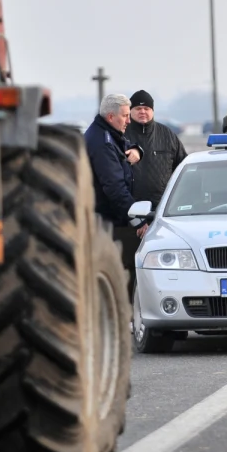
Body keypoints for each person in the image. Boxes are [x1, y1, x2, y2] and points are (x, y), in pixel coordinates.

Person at [85, 93, 145, 298]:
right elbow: (115, 188)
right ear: (111, 117)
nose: (129, 121)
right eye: (126, 116)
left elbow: (123, 149)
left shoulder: (108, 134)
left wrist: (137, 150)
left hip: (113, 219)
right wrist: (138, 219)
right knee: (125, 270)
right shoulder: (102, 143)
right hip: (109, 223)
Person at [125, 89, 188, 207]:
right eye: (138, 108)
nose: (142, 111)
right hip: (129, 208)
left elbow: (183, 168)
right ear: (130, 111)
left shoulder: (167, 135)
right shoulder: (122, 134)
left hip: (162, 207)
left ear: (152, 111)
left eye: (146, 109)